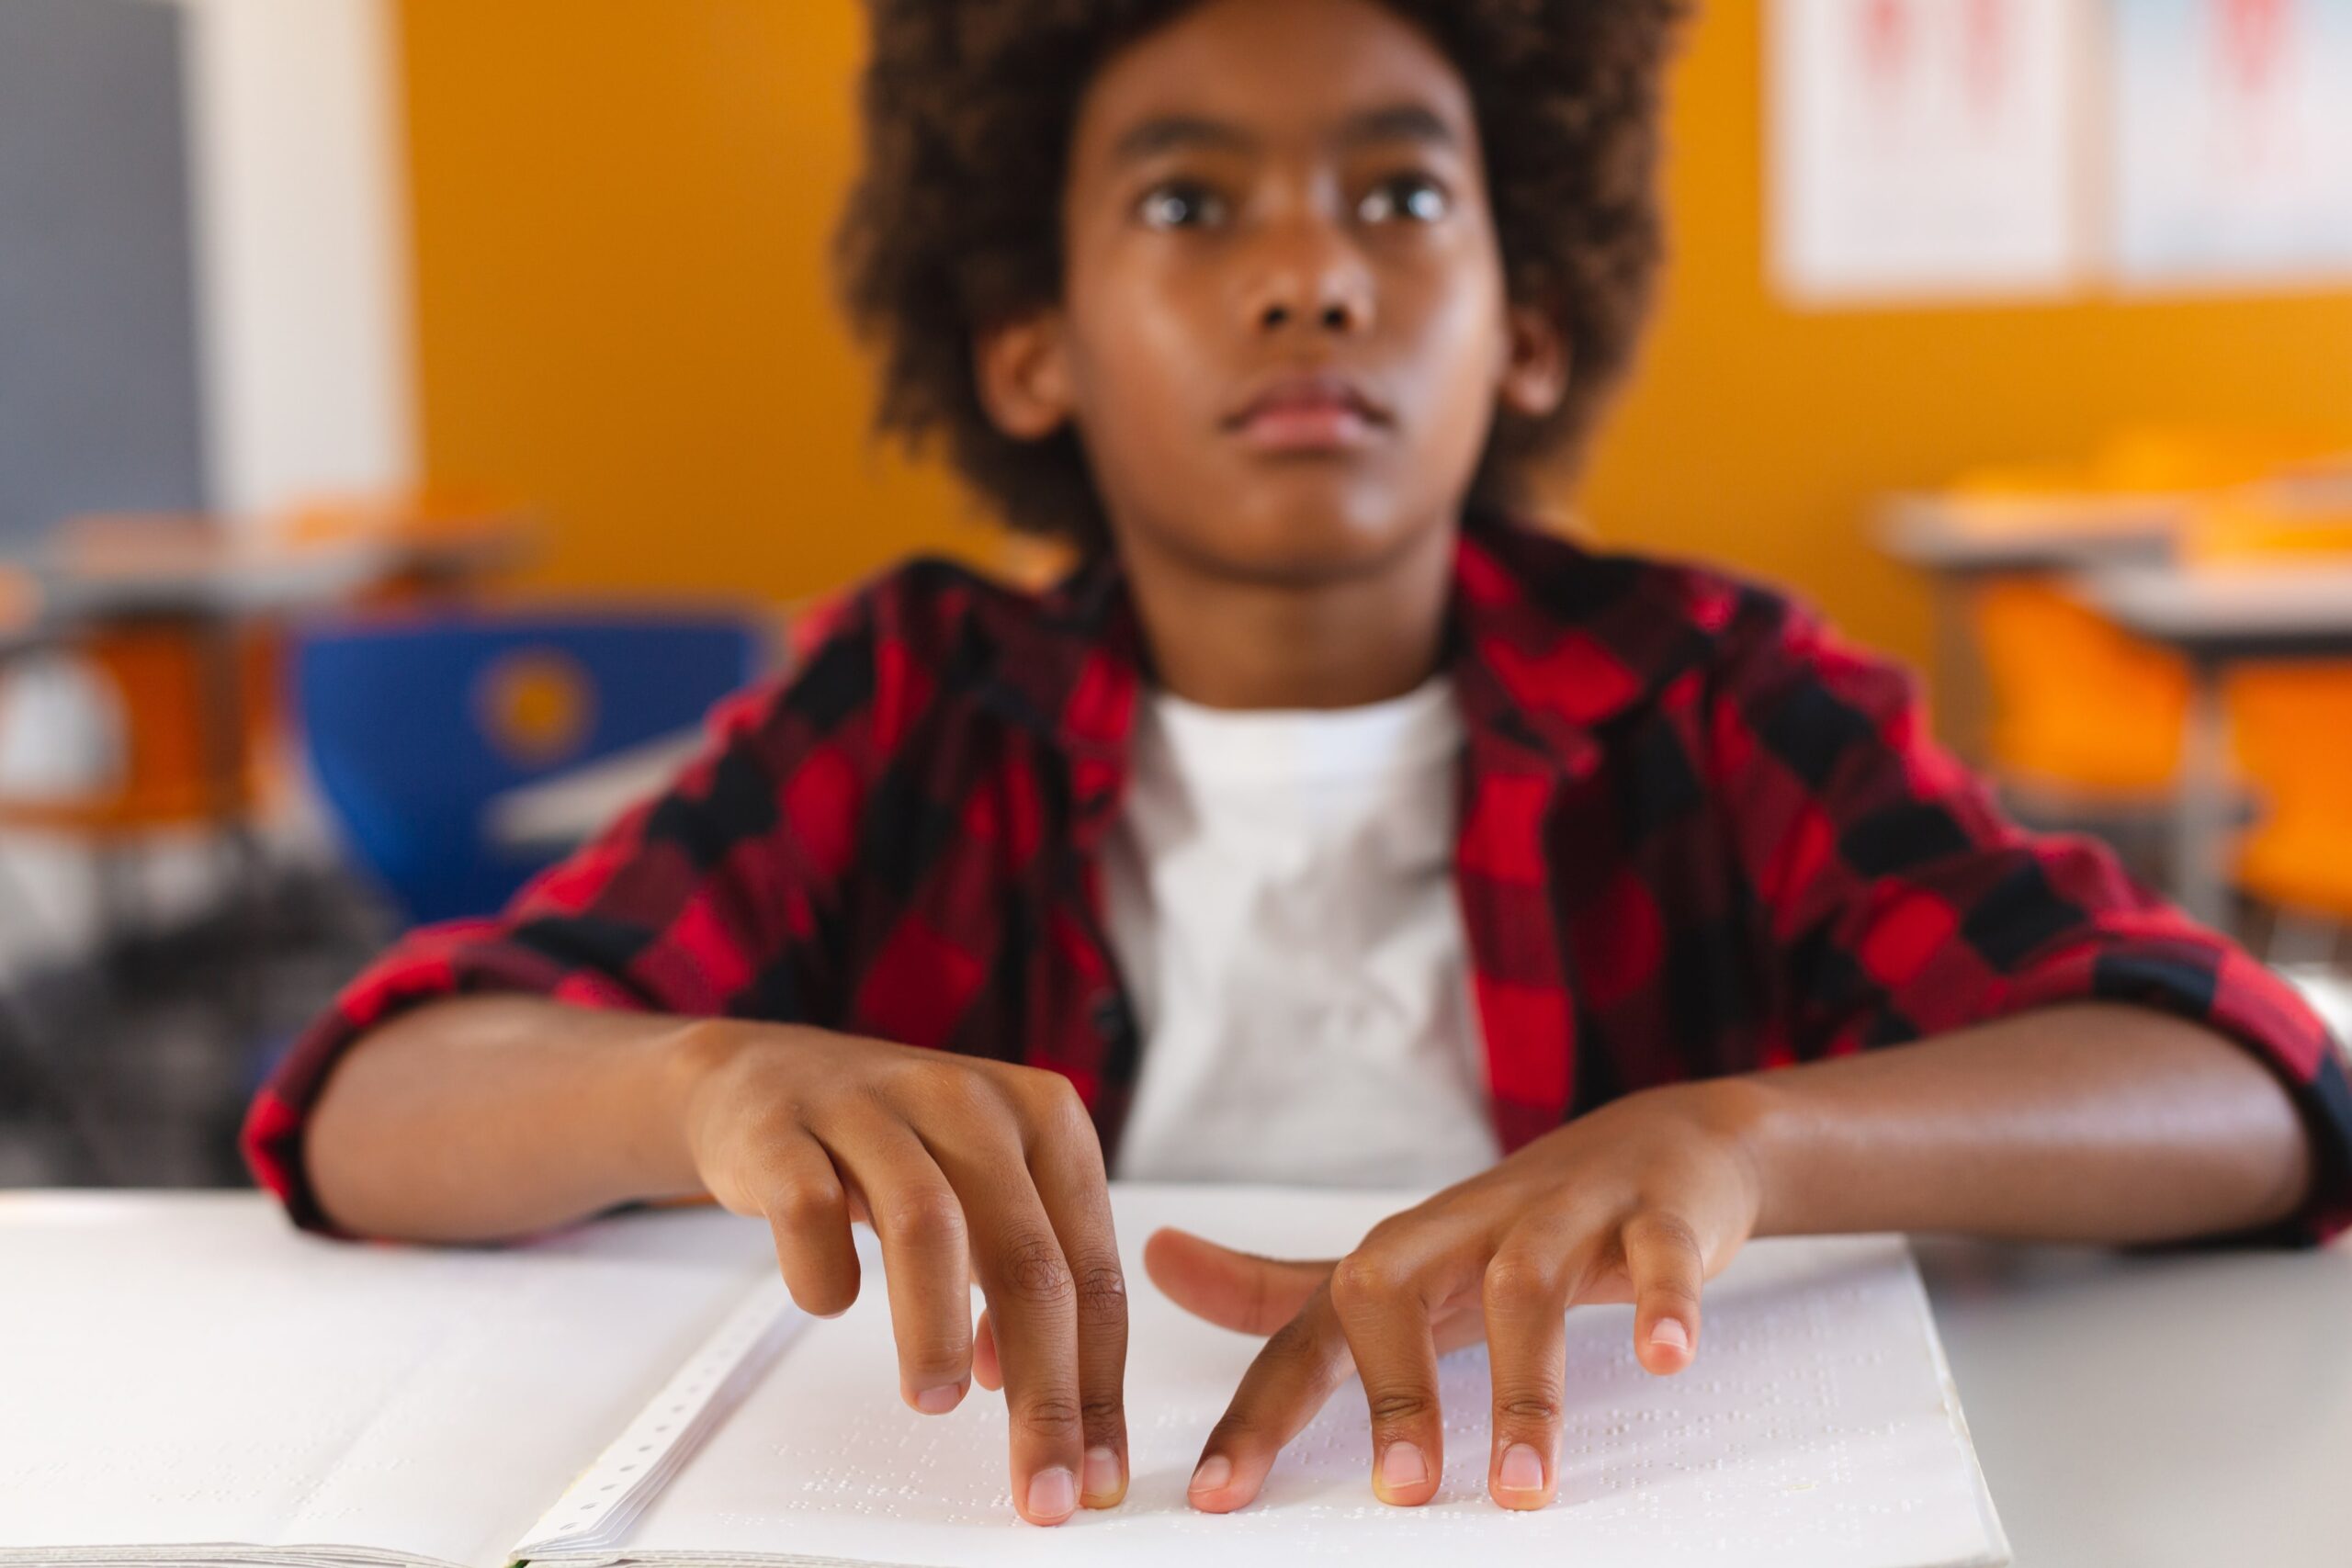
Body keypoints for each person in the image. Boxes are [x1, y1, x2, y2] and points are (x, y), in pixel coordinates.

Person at [246, 0, 2352, 1529]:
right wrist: (690, 1078)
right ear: (1029, 345)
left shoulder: (1708, 691)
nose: (1309, 272)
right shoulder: (905, 699)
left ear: (1523, 318)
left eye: (1401, 193)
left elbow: (2254, 1081)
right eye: (1186, 200)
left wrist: (1746, 1141)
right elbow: (365, 1103)